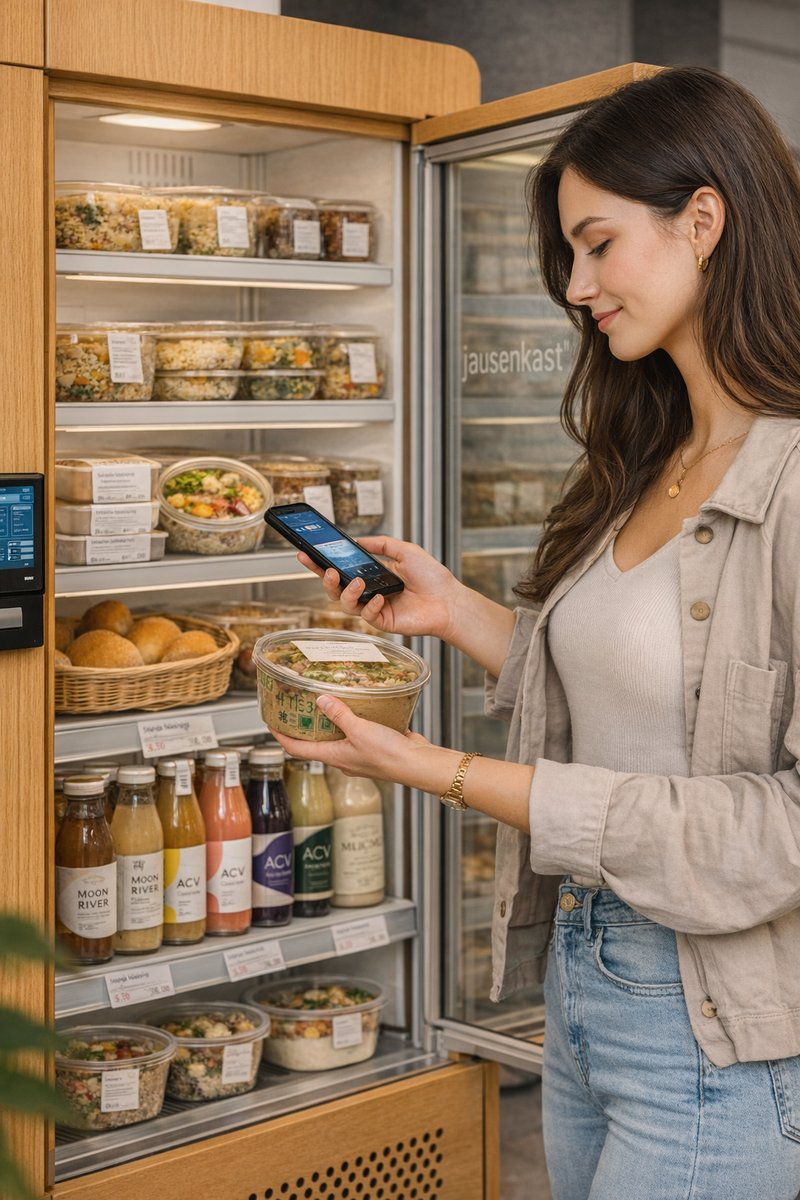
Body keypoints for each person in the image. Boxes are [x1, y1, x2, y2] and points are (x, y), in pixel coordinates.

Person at [269, 65, 800, 1199]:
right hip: (586, 976)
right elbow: (652, 703)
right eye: (568, 253)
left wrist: (441, 770)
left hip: (724, 1025)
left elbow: (787, 826)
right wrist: (456, 613)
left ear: (703, 221)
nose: (576, 285)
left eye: (598, 244)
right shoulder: (653, 452)